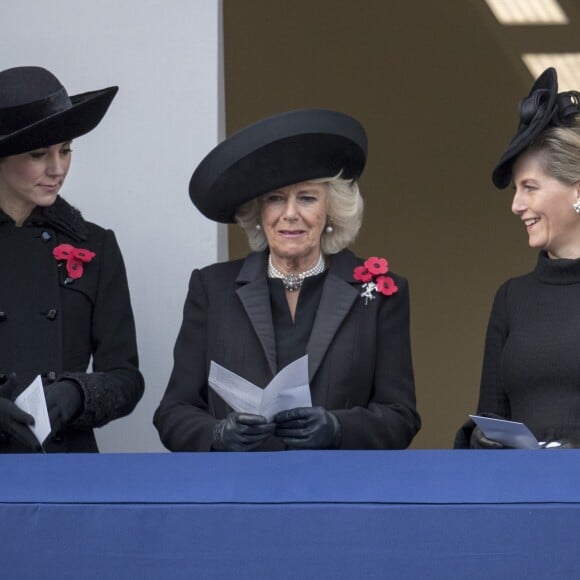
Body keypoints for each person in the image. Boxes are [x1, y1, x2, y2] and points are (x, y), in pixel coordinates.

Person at [154, 108, 420, 451]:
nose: (289, 214)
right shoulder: (212, 289)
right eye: (275, 199)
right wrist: (218, 434)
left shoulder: (379, 293)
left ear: (330, 211)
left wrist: (339, 428)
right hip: (240, 494)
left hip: (337, 494)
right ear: (259, 212)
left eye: (306, 198)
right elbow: (174, 412)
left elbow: (400, 416)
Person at [0, 66, 144, 452]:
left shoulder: (96, 245)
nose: (57, 168)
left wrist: (77, 393)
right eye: (38, 153)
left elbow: (126, 378)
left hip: (65, 465)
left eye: (65, 150)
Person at [455, 67, 580, 449]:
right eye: (515, 190)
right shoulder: (512, 298)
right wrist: (481, 439)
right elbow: (490, 415)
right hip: (526, 501)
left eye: (530, 187)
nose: (516, 205)